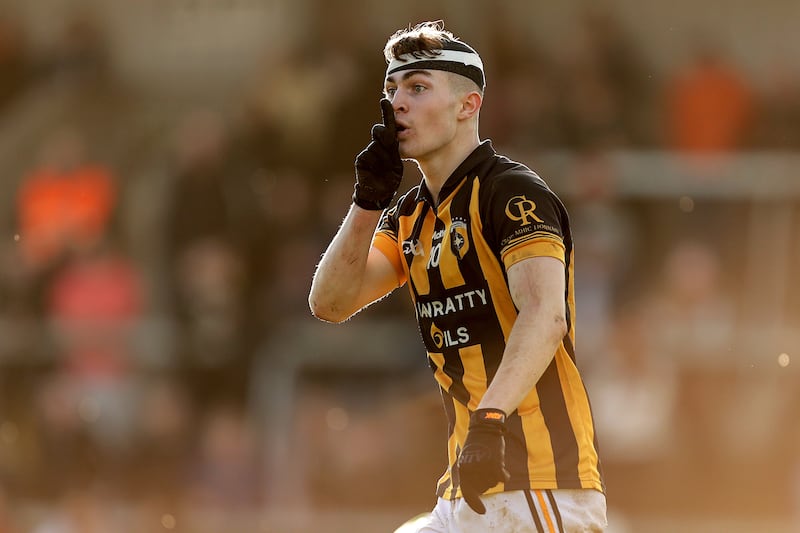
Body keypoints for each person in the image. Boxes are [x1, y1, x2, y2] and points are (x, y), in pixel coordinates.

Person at [309, 21, 606, 532]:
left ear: (468, 105)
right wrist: (366, 201)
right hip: (467, 490)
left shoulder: (511, 194)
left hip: (538, 484)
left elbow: (545, 315)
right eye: (391, 90)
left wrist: (490, 421)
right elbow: (331, 303)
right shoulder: (409, 216)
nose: (397, 103)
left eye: (418, 88)